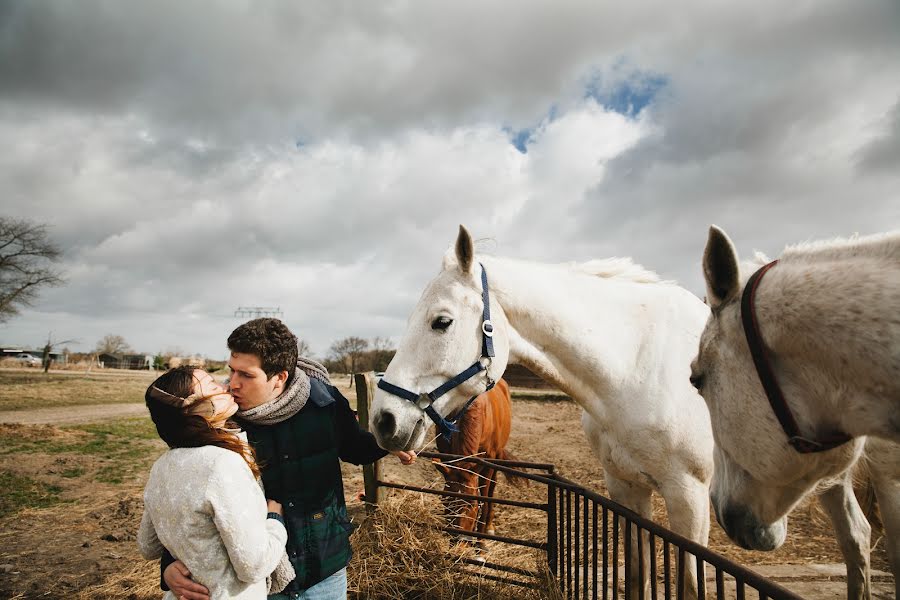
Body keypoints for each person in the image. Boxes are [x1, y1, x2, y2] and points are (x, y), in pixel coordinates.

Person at [164, 318, 415, 600]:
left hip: (324, 569)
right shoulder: (217, 419)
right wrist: (169, 564)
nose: (233, 384)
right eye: (231, 371)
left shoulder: (325, 402)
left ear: (280, 377)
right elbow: (181, 497)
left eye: (246, 375)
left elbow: (354, 448)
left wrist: (387, 443)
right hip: (252, 583)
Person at [138, 366, 290, 599]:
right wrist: (275, 520)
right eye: (212, 386)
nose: (225, 386)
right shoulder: (222, 464)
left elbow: (148, 546)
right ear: (195, 409)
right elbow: (254, 566)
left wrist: (177, 562)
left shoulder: (161, 466)